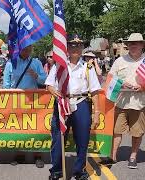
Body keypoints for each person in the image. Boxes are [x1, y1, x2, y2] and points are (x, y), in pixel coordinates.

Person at [45, 35, 101, 180]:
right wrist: (55, 93)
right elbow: (49, 84)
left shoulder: (88, 67)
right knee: (58, 139)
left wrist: (97, 113)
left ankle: (79, 171)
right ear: (67, 48)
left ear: (82, 49)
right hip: (62, 103)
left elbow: (95, 91)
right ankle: (56, 171)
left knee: (82, 140)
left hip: (81, 103)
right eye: (72, 46)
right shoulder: (59, 66)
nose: (75, 48)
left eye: (79, 46)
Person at [101, 33, 145, 169]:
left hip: (139, 103)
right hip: (121, 102)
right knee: (116, 131)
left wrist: (142, 86)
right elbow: (109, 79)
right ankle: (112, 156)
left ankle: (133, 157)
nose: (133, 45)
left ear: (142, 45)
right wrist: (121, 84)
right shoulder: (120, 60)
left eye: (136, 43)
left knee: (137, 132)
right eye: (131, 43)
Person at [9, 45, 47, 168]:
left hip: (33, 101)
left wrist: (36, 76)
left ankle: (37, 156)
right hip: (16, 101)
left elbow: (45, 80)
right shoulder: (11, 63)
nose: (28, 51)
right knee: (19, 128)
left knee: (36, 128)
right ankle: (20, 155)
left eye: (30, 48)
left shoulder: (36, 63)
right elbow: (6, 83)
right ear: (20, 49)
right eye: (25, 49)